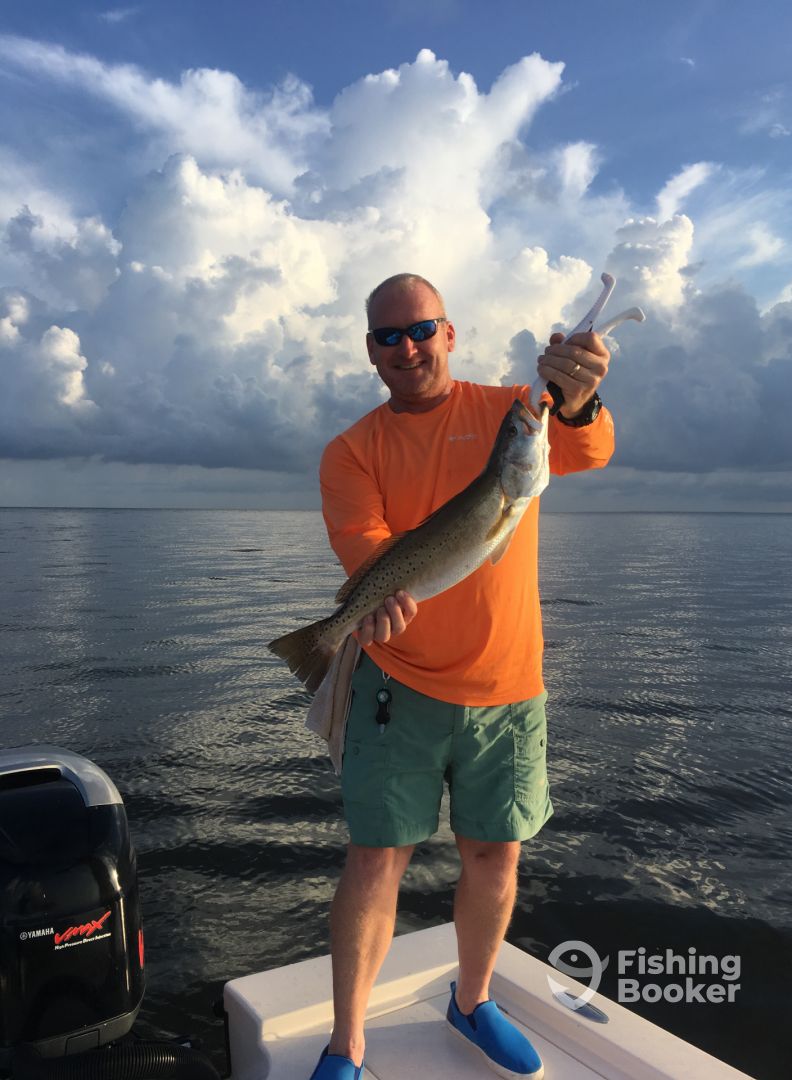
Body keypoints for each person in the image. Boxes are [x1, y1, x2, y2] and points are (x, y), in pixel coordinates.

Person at [309, 273, 614, 1080]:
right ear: (371, 351)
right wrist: (367, 608)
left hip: (510, 688)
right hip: (394, 686)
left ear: (449, 334)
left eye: (421, 329)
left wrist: (575, 401)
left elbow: (585, 447)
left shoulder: (513, 411)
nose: (407, 347)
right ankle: (346, 1044)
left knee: (494, 858)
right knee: (375, 861)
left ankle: (472, 1002)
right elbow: (369, 553)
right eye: (389, 336)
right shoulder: (350, 451)